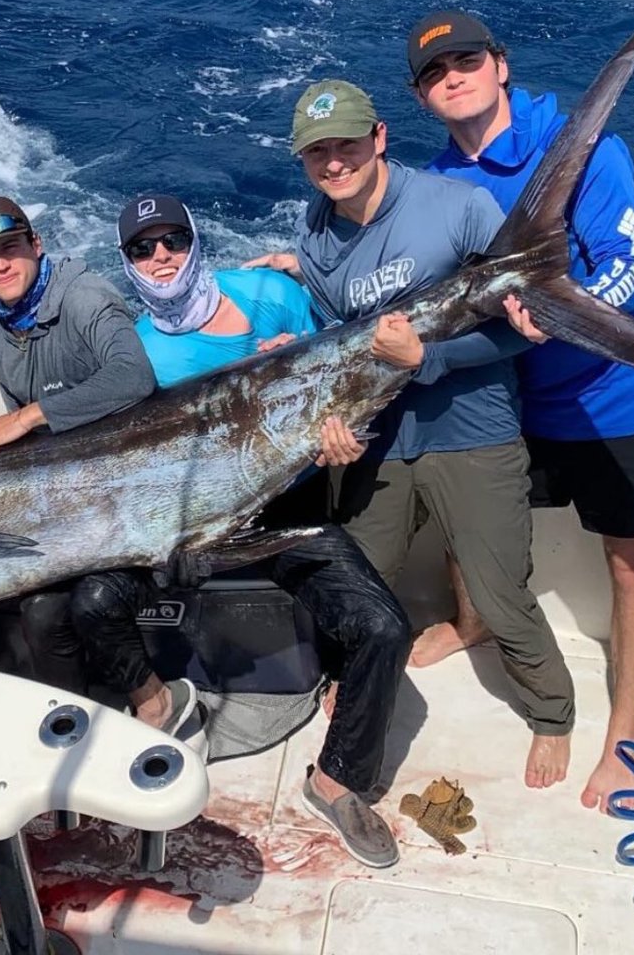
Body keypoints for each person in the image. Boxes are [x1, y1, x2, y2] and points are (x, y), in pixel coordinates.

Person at [249, 79, 576, 789]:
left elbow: (522, 335)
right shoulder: (315, 237)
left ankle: (552, 714)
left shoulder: (458, 207)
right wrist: (326, 417)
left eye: (345, 145)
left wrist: (427, 359)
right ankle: (356, 683)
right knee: (359, 588)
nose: (333, 163)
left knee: (500, 597)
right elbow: (344, 346)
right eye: (317, 153)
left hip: (474, 431)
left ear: (380, 137)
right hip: (380, 441)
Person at [408, 8, 634, 810]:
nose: (451, 76)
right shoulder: (435, 184)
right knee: (466, 519)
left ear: (500, 64)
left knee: (630, 559)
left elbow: (624, 266)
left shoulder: (588, 150)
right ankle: (475, 619)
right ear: (420, 97)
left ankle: (624, 729)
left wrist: (559, 313)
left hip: (621, 394)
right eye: (431, 72)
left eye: (465, 60)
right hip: (513, 395)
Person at [117, 191, 412, 869]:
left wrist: (341, 433)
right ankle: (147, 705)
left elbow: (344, 371)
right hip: (193, 525)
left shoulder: (268, 294)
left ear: (195, 244)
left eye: (173, 242)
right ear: (128, 262)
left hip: (285, 507)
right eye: (142, 248)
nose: (160, 258)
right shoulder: (137, 351)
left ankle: (336, 781)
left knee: (384, 627)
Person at [0, 196, 207, 749]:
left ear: (36, 245)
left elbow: (132, 378)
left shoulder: (86, 296)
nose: (0, 264)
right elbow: (28, 442)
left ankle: (157, 702)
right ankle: (75, 729)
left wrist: (29, 415)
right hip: (72, 501)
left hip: (141, 495)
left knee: (87, 601)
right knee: (39, 609)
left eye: (11, 247)